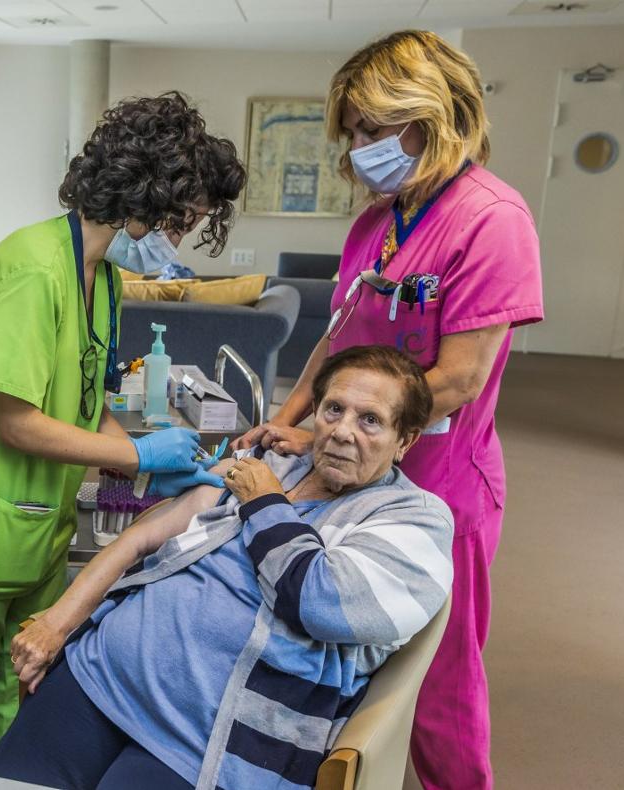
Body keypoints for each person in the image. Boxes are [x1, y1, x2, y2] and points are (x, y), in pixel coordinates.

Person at [0, 92, 246, 770]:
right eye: (182, 222)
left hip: (32, 525)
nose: (178, 242)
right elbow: (17, 421)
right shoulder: (32, 267)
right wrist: (133, 450)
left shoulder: (101, 277)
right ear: (147, 194)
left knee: (10, 691)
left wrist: (141, 464)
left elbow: (83, 398)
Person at [236, 31, 543, 790]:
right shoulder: (378, 220)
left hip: (440, 480)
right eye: (354, 133)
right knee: (332, 640)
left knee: (432, 673)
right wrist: (296, 412)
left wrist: (331, 433)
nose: (362, 147)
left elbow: (460, 379)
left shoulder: (492, 219)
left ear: (430, 117)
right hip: (348, 470)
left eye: (375, 130)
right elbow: (340, 337)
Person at [0, 345, 454, 790]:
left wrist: (264, 499)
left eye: (370, 420)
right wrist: (57, 625)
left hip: (203, 739)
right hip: (103, 672)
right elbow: (142, 536)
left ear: (404, 440)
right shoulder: (276, 464)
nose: (342, 431)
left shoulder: (414, 519)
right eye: (334, 410)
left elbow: (318, 600)